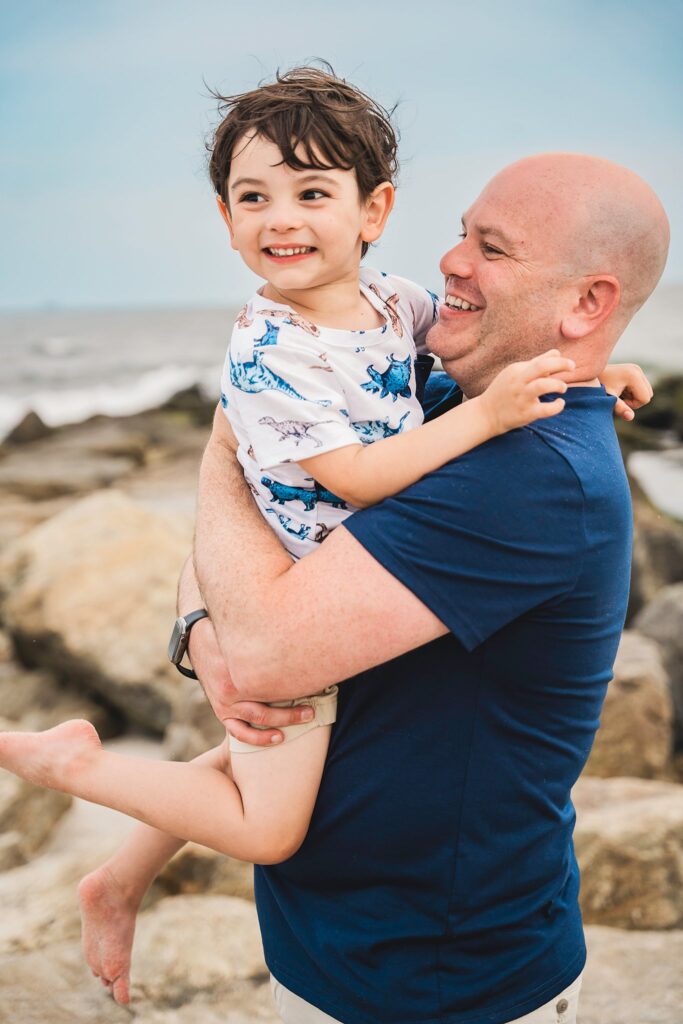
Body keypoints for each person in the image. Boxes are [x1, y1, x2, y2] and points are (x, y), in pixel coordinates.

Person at [0, 92, 660, 1021]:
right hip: (333, 943)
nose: (450, 259)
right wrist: (202, 626)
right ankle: (118, 874)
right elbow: (250, 564)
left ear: (587, 302)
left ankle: (75, 781)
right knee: (266, 739)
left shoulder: (527, 472)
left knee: (265, 790)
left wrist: (230, 442)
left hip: (434, 978)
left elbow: (270, 635)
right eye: (463, 231)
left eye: (493, 248)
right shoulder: (438, 394)